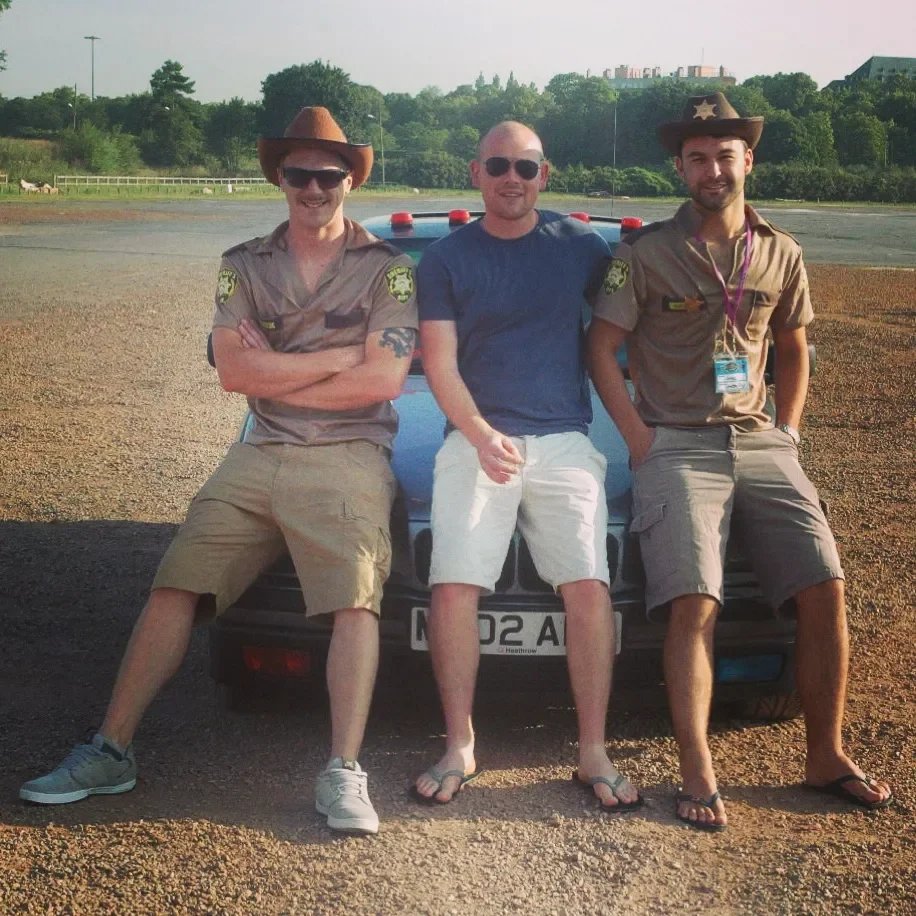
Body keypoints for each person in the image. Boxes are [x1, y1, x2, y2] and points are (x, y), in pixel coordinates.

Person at [20, 107, 419, 836]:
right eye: (299, 174)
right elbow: (235, 375)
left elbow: (385, 380)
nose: (313, 188)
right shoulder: (242, 264)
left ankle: (343, 771)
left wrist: (282, 370)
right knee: (176, 581)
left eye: (329, 175)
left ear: (349, 181)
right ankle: (111, 749)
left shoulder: (386, 271)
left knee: (355, 601)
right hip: (259, 452)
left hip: (347, 454)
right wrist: (335, 357)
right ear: (280, 177)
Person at [587, 92, 893, 831]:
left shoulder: (782, 251)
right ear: (681, 167)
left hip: (759, 440)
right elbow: (601, 347)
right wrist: (638, 438)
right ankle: (698, 768)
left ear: (747, 160)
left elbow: (791, 344)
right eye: (697, 156)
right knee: (695, 599)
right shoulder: (644, 253)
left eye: (725, 154)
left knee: (825, 583)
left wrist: (788, 428)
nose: (712, 167)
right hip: (676, 444)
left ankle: (826, 753)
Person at [412, 121, 641, 811]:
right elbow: (439, 362)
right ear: (476, 172)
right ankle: (460, 744)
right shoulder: (444, 260)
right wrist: (480, 434)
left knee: (589, 586)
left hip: (565, 441)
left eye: (527, 166)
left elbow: (635, 313)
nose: (513, 177)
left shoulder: (582, 247)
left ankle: (593, 751)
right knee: (453, 585)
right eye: (499, 165)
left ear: (546, 174)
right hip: (477, 438)